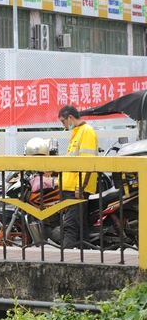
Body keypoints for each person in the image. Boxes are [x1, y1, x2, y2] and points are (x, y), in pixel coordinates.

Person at [58, 105, 98, 249]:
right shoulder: (77, 133)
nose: (63, 125)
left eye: (63, 121)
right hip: (71, 188)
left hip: (77, 189)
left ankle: (65, 257)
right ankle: (84, 256)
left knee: (70, 225)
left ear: (70, 118)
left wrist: (80, 186)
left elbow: (87, 162)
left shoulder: (86, 132)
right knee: (81, 227)